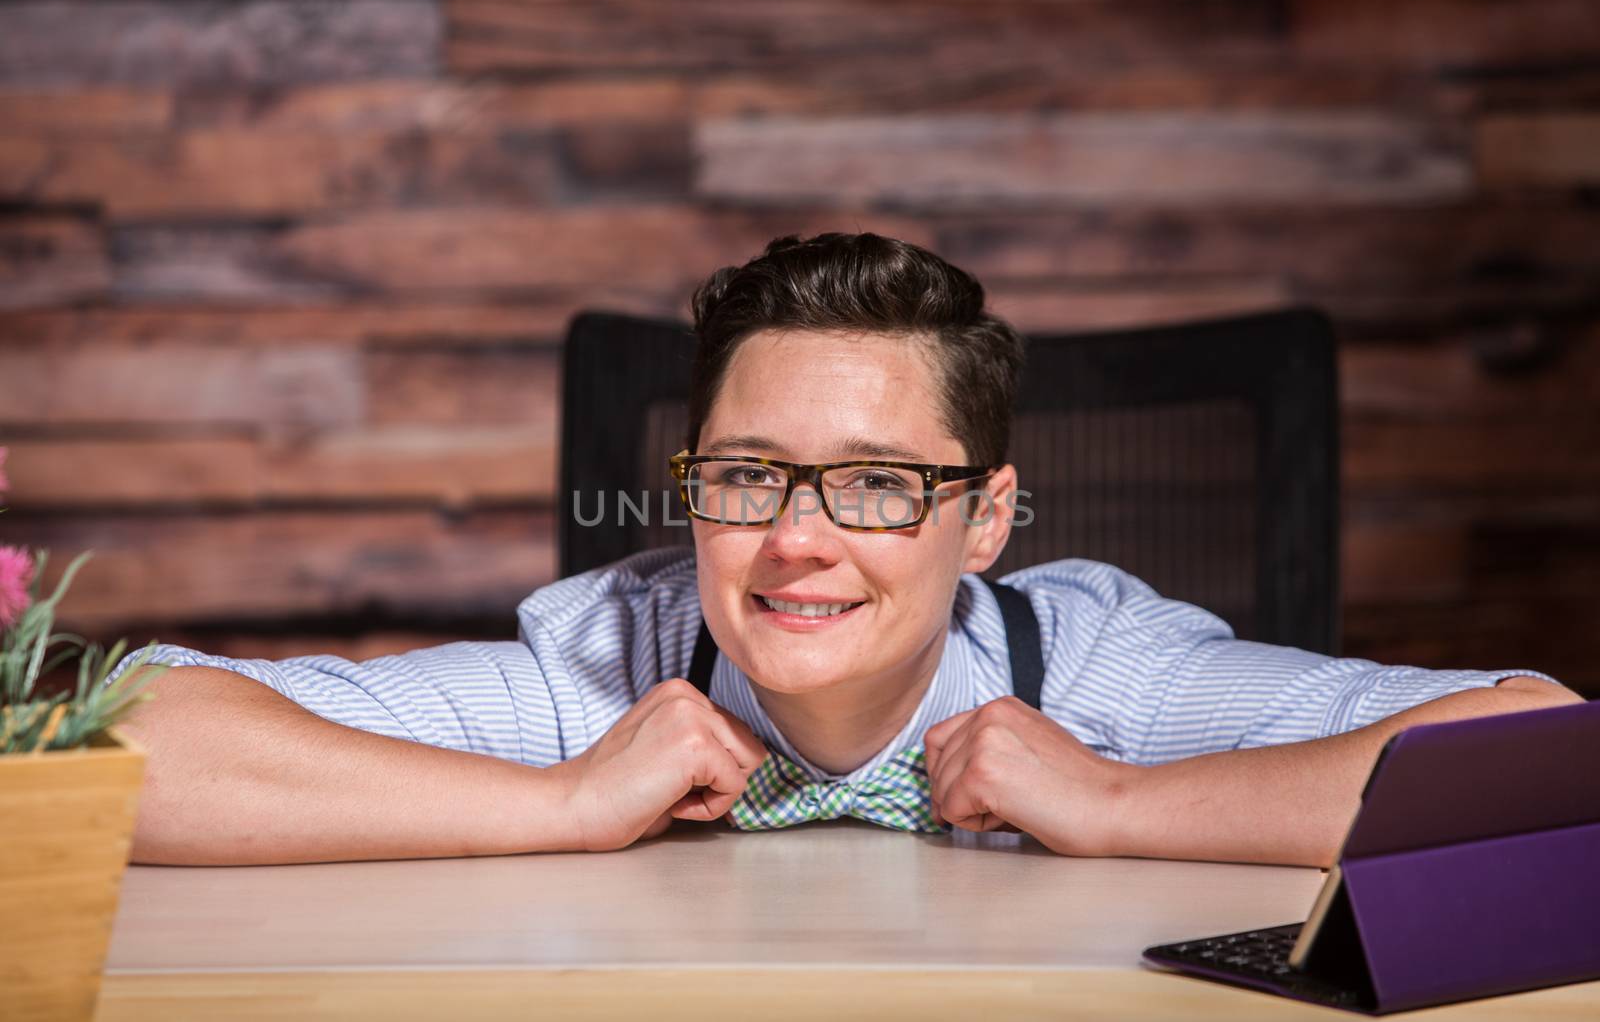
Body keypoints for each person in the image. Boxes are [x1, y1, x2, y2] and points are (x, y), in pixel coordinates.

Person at [109, 232, 1581, 868]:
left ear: (987, 518)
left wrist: (1121, 800)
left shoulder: (1094, 666)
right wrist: (561, 803)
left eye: (876, 483)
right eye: (751, 474)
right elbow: (127, 739)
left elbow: (1542, 748)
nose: (799, 540)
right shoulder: (608, 667)